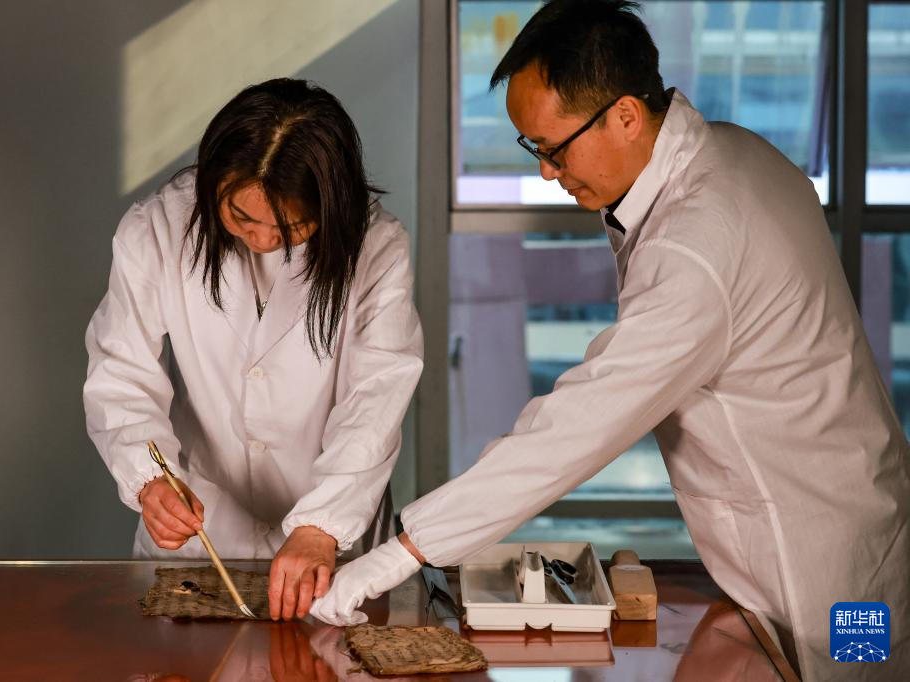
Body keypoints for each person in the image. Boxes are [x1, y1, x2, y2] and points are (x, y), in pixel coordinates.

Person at [310, 2, 910, 680]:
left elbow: (580, 426)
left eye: (552, 148)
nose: (546, 171)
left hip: (825, 575)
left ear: (625, 115)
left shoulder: (696, 242)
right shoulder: (730, 152)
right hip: (844, 515)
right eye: (532, 149)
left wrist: (402, 552)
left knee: (858, 672)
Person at [84, 78, 423, 621]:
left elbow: (376, 396)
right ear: (214, 182)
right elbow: (121, 370)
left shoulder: (375, 246)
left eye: (292, 226)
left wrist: (322, 524)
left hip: (331, 544)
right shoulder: (159, 227)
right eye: (242, 217)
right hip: (204, 538)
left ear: (330, 203)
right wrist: (148, 477)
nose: (263, 240)